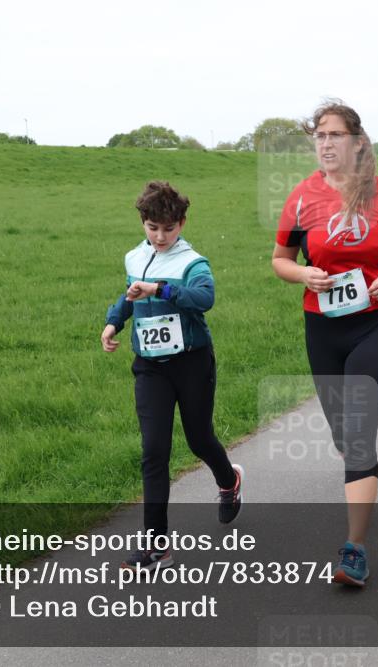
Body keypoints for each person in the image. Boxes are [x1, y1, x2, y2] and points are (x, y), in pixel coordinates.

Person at [271, 102, 378, 587]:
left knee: (358, 432)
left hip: (377, 324)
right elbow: (280, 258)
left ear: (357, 142)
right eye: (319, 135)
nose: (325, 143)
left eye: (335, 134)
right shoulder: (301, 198)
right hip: (323, 327)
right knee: (343, 433)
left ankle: (354, 549)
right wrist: (304, 273)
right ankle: (356, 467)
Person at [101, 180, 243, 571]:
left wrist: (161, 290)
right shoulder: (135, 257)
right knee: (154, 451)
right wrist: (114, 322)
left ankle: (228, 480)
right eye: (152, 228)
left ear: (181, 223)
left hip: (191, 362)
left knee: (199, 439)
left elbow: (204, 299)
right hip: (149, 366)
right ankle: (156, 545)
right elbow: (128, 294)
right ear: (143, 223)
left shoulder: (193, 262)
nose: (160, 236)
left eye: (168, 228)